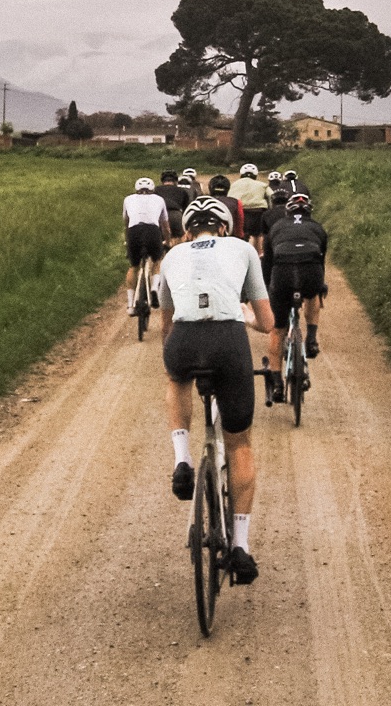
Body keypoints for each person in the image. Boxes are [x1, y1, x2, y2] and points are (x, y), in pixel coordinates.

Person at [158, 196, 275, 584]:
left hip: (185, 338)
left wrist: (174, 354)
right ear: (225, 227)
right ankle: (240, 546)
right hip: (228, 338)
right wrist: (251, 322)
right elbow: (267, 320)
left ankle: (182, 459)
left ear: (188, 231)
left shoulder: (173, 256)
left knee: (176, 379)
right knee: (239, 443)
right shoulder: (243, 248)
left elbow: (167, 322)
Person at [264, 190, 328, 395]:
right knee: (313, 295)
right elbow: (321, 259)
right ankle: (311, 338)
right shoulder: (317, 228)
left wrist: (268, 287)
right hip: (311, 270)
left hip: (282, 272)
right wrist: (320, 285)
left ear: (287, 212)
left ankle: (276, 384)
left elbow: (268, 262)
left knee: (278, 330)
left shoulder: (276, 227)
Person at [123, 177, 171, 312]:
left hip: (134, 231)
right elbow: (165, 226)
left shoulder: (128, 199)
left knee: (133, 266)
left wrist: (127, 239)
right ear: (152, 189)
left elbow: (126, 222)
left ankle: (130, 305)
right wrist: (167, 241)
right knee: (157, 260)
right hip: (152, 231)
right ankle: (155, 288)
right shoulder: (159, 199)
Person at [233, 162, 270, 254]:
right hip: (258, 211)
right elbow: (271, 196)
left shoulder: (234, 184)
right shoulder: (262, 185)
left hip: (240, 211)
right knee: (258, 235)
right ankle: (259, 255)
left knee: (242, 234)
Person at [208, 172, 245, 238]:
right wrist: (240, 237)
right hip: (230, 238)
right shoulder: (236, 202)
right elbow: (239, 222)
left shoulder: (203, 201)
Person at [157, 169, 189, 238]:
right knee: (180, 240)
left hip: (160, 216)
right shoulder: (182, 191)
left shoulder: (156, 190)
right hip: (176, 215)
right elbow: (186, 210)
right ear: (175, 181)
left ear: (162, 181)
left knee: (159, 240)